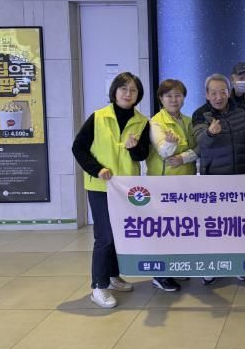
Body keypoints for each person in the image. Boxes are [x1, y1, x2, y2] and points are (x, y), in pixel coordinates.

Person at [72, 72, 150, 309]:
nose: (128, 94)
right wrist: (97, 169)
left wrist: (134, 148)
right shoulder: (98, 117)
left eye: (133, 90)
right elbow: (78, 148)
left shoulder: (142, 121)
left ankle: (113, 276)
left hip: (127, 188)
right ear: (114, 91)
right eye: (123, 89)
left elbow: (142, 155)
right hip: (101, 186)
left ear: (138, 95)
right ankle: (98, 286)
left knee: (119, 234)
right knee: (105, 236)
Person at [192, 73, 245, 286]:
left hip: (241, 179)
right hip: (215, 181)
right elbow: (201, 143)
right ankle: (211, 266)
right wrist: (210, 134)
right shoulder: (200, 114)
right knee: (214, 227)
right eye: (213, 93)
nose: (218, 97)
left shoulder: (240, 112)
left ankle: (238, 265)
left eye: (223, 92)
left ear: (229, 93)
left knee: (238, 226)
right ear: (206, 94)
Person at [145, 78, 197, 293]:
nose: (174, 100)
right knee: (163, 230)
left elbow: (198, 149)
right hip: (163, 186)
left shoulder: (188, 120)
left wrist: (184, 157)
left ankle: (174, 266)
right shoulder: (155, 122)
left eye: (178, 95)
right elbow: (164, 153)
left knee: (179, 228)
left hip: (186, 182)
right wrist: (170, 143)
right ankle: (161, 275)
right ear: (161, 99)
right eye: (169, 96)